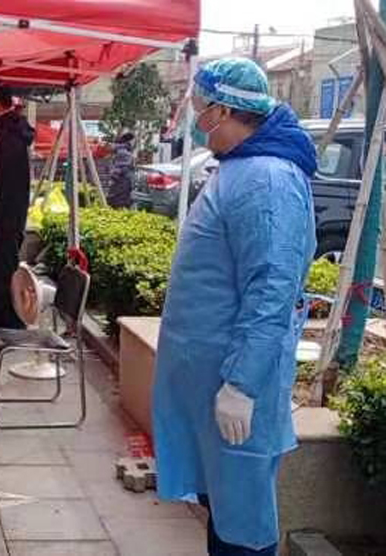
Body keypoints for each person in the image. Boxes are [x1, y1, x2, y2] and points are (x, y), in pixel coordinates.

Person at [152, 57, 317, 555]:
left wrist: (241, 385)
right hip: (209, 381)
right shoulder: (242, 168)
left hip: (234, 386)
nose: (196, 119)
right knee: (223, 511)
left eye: (201, 108)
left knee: (242, 525)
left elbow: (272, 290)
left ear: (223, 110)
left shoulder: (268, 180)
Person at [0, 80, 35, 330]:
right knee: (0, 269)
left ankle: (5, 322)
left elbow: (0, 184)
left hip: (4, 219)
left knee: (0, 270)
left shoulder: (6, 136)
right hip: (13, 215)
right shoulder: (12, 130)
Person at [107, 132, 135, 209]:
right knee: (120, 199)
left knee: (118, 197)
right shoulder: (123, 151)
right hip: (122, 178)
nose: (134, 142)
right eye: (133, 140)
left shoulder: (123, 150)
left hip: (121, 178)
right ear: (129, 141)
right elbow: (121, 166)